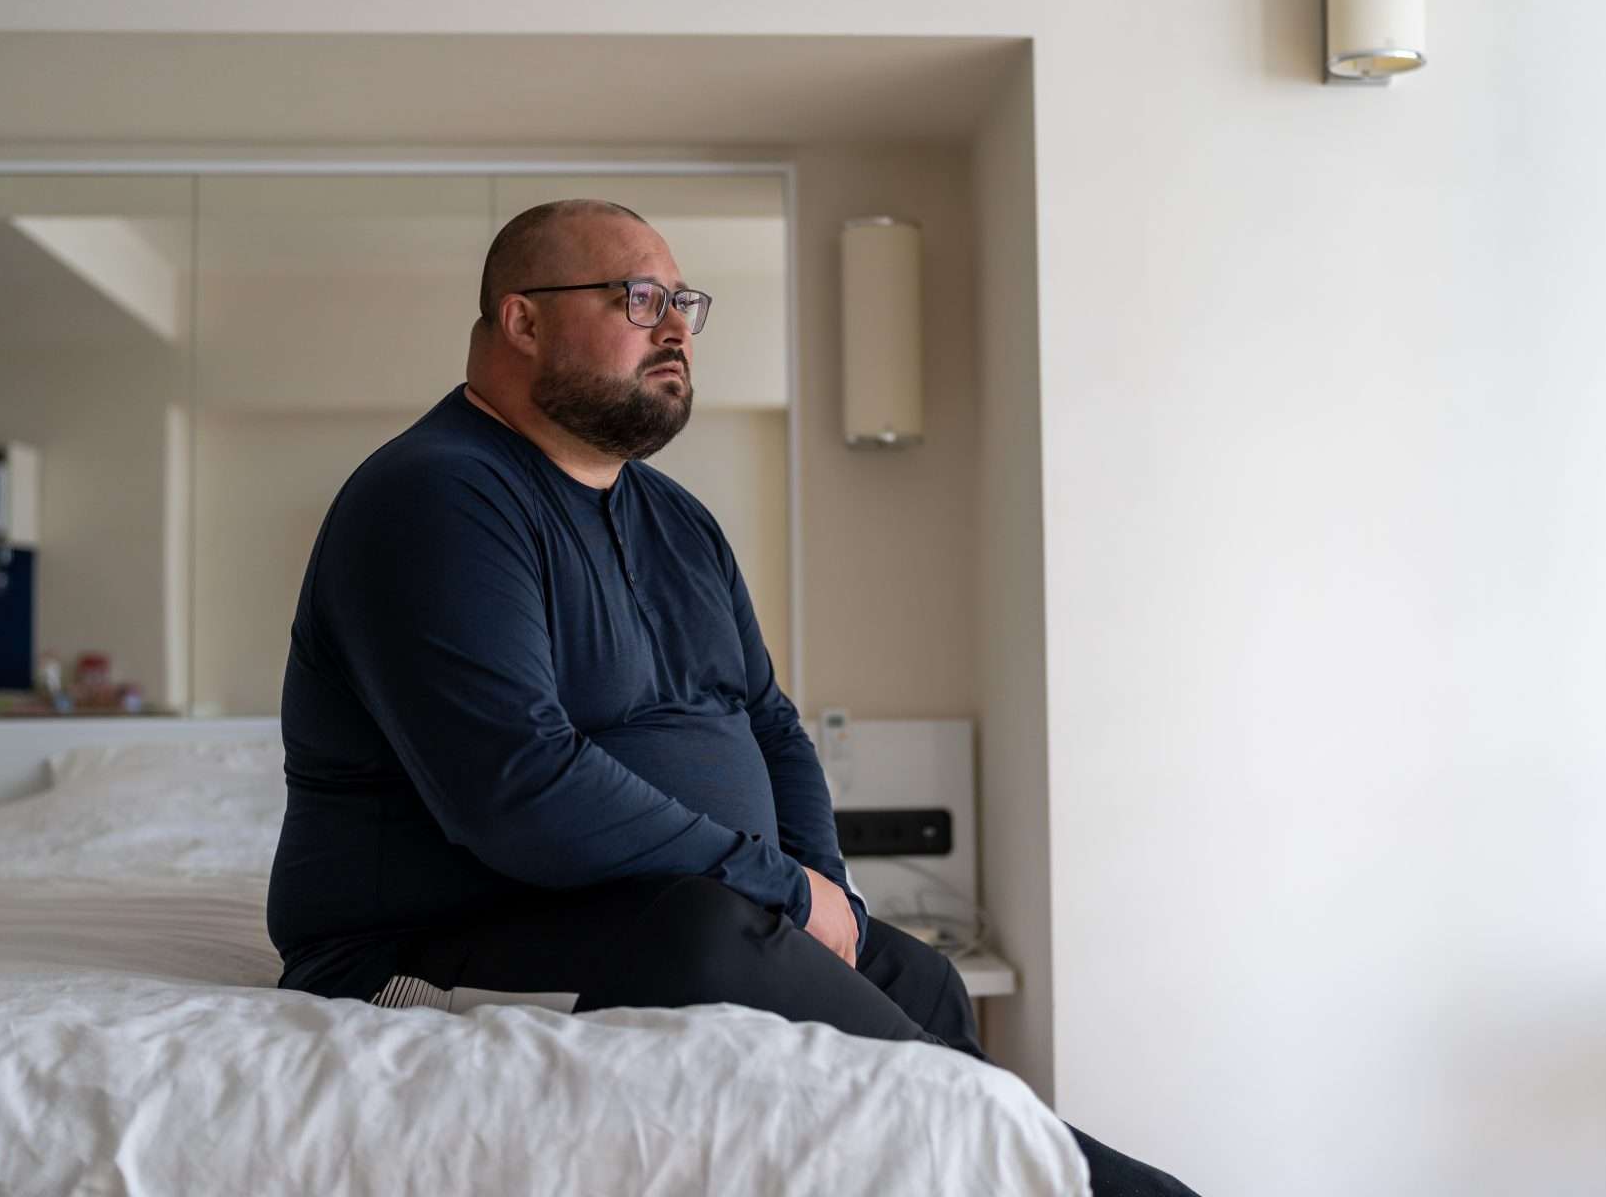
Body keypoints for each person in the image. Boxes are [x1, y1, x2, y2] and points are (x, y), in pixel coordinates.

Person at [269, 199, 1197, 1195]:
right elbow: (517, 783)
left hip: (674, 908)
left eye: (684, 303)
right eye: (638, 297)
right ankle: (1085, 1180)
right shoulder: (436, 496)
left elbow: (770, 722)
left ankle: (996, 1159)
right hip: (428, 944)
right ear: (522, 319)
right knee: (718, 941)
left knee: (915, 971)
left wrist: (822, 892)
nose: (675, 327)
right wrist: (780, 891)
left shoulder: (679, 521)